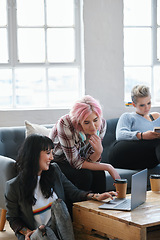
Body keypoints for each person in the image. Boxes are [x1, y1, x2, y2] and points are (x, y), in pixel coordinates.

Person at [5, 134, 117, 240]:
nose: (51, 157)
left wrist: (96, 196)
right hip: (38, 234)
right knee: (44, 231)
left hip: (59, 229)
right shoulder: (14, 186)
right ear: (34, 155)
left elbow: (74, 192)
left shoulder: (54, 171)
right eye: (48, 153)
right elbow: (12, 218)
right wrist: (26, 231)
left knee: (59, 205)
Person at [50, 95, 120, 193]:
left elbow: (91, 161)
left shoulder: (102, 124)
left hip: (78, 160)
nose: (93, 127)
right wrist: (109, 167)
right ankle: (78, 207)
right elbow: (76, 163)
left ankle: (100, 206)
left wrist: (98, 151)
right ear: (78, 122)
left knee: (99, 173)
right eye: (86, 122)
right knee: (84, 175)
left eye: (95, 120)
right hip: (58, 161)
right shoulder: (65, 123)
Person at [108, 85, 160, 170]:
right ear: (134, 104)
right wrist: (142, 135)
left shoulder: (157, 117)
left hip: (146, 157)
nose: (147, 107)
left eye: (149, 103)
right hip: (122, 154)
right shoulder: (128, 116)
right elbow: (120, 135)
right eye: (142, 105)